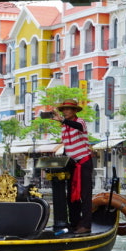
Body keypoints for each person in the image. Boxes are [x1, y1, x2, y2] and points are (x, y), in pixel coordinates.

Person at [55, 99, 93, 234]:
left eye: (68, 109)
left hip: (84, 162)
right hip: (72, 164)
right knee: (71, 195)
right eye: (64, 110)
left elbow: (77, 126)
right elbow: (67, 146)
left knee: (85, 195)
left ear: (74, 111)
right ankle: (75, 222)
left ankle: (86, 225)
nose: (65, 112)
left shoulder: (80, 122)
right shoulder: (64, 127)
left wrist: (62, 120)